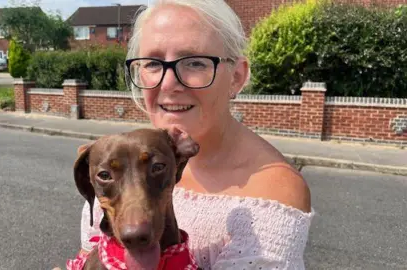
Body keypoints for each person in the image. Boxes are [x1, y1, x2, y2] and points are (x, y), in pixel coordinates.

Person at [71, 0, 315, 269]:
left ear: (237, 76)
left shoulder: (272, 196)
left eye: (195, 63)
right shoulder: (115, 171)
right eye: (152, 63)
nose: (168, 82)